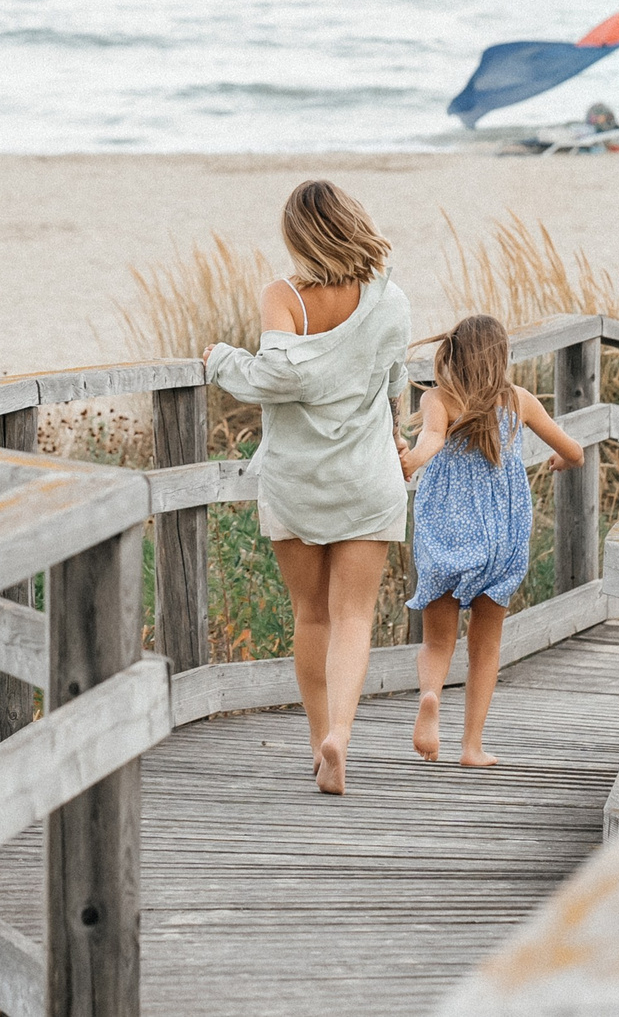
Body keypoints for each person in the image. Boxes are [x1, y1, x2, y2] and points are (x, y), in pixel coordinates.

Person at [204, 180, 411, 795]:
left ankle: (317, 734)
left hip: (299, 478)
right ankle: (340, 737)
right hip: (368, 476)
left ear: (298, 236)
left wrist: (220, 361)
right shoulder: (390, 301)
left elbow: (273, 377)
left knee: (311, 614)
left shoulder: (285, 296)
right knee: (354, 616)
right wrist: (397, 438)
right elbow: (394, 382)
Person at [401, 313, 590, 767]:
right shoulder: (519, 401)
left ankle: (430, 697)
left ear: (454, 355)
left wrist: (411, 462)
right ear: (502, 357)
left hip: (447, 531)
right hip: (499, 537)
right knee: (485, 647)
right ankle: (471, 747)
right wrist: (561, 463)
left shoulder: (438, 400)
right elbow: (575, 451)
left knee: (436, 642)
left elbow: (428, 442)